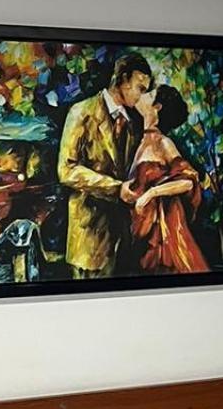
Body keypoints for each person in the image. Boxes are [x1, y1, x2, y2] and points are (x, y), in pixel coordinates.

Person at [57, 52, 152, 277]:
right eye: (140, 88)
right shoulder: (81, 112)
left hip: (120, 242)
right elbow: (66, 170)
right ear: (124, 79)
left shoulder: (132, 124)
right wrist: (116, 188)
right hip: (88, 239)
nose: (142, 96)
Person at [125, 84, 210, 274]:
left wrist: (151, 193)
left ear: (157, 107)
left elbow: (188, 181)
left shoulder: (163, 143)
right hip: (141, 228)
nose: (142, 95)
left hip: (163, 233)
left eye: (149, 94)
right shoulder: (140, 141)